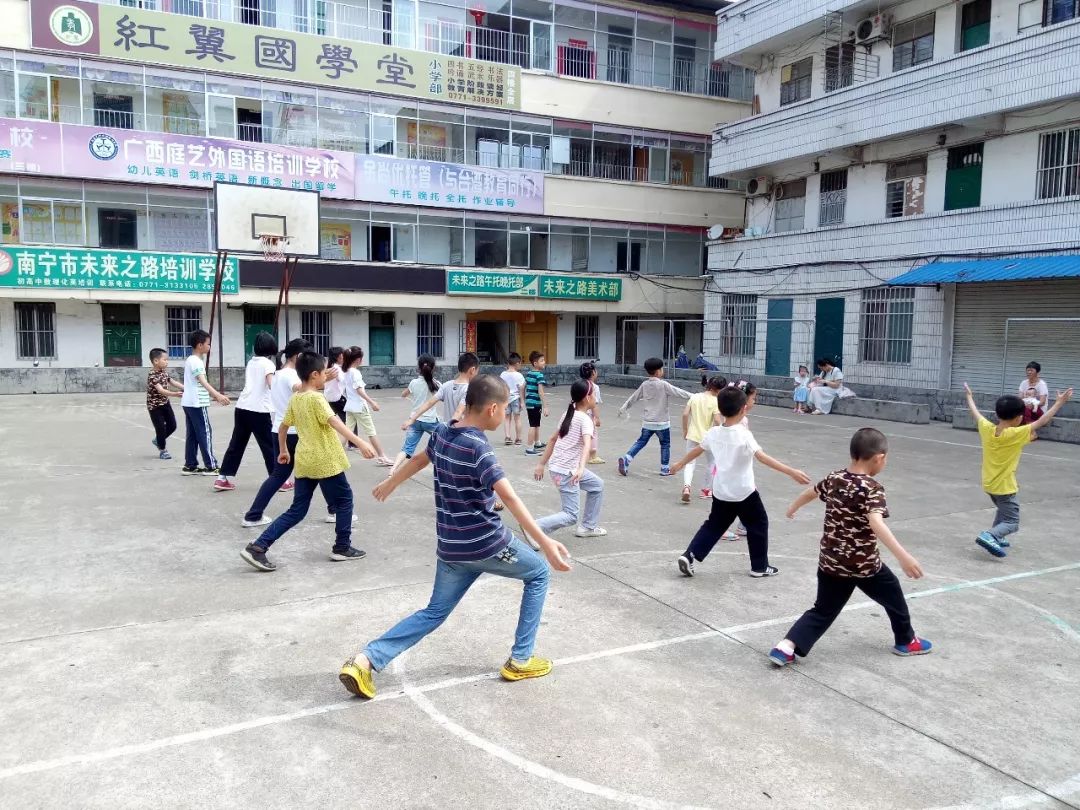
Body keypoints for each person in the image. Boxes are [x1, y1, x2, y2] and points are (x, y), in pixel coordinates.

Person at [337, 374, 572, 699]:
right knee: (539, 572)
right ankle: (520, 659)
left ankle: (364, 661)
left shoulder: (444, 433)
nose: (505, 414)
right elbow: (513, 500)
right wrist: (546, 543)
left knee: (433, 612)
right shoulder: (480, 450)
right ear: (492, 409)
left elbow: (421, 459)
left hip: (451, 548)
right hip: (487, 544)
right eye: (505, 409)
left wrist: (392, 482)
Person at [768, 428, 932, 667]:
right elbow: (876, 522)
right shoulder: (872, 488)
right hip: (863, 565)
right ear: (879, 458)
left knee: (823, 610)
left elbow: (812, 492)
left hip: (831, 562)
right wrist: (903, 556)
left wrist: (793, 507)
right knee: (894, 595)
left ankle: (785, 647)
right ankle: (906, 641)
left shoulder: (835, 477)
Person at [240, 351, 376, 572]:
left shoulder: (297, 398)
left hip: (305, 460)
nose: (325, 376)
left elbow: (283, 427)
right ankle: (342, 547)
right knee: (344, 501)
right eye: (323, 372)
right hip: (325, 460)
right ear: (314, 375)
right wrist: (360, 443)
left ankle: (259, 546)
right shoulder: (315, 398)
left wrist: (283, 450)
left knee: (297, 509)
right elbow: (335, 422)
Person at [671, 386, 810, 578]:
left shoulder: (714, 432)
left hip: (721, 491)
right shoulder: (743, 433)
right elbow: (762, 457)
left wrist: (680, 463)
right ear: (743, 409)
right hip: (744, 492)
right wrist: (791, 471)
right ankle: (759, 567)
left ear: (720, 410)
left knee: (713, 526)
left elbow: (698, 450)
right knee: (759, 523)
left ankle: (690, 555)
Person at [962, 382, 1072, 557]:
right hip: (1005, 487)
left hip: (989, 484)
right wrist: (1059, 402)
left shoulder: (987, 428)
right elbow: (1042, 421)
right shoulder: (1015, 434)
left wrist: (969, 396)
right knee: (1012, 521)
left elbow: (976, 414)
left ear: (998, 414)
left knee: (1002, 509)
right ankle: (990, 535)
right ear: (1018, 418)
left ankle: (996, 536)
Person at [241, 339, 336, 527]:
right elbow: (301, 389)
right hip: (296, 432)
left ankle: (253, 515)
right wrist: (325, 379)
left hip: (280, 430)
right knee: (323, 470)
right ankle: (335, 510)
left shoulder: (277, 374)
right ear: (298, 356)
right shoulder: (291, 375)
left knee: (279, 476)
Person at [532, 379, 607, 538]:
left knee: (597, 485)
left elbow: (553, 439)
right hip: (567, 472)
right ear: (587, 398)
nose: (596, 398)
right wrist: (580, 468)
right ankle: (534, 527)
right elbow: (587, 445)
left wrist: (541, 464)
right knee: (571, 515)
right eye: (593, 394)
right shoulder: (585, 419)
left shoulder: (569, 413)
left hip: (560, 468)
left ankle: (588, 527)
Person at [215, 332, 278, 492]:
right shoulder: (268, 364)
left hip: (242, 407)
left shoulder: (251, 362)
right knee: (269, 445)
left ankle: (222, 478)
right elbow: (271, 384)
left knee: (236, 444)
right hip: (259, 410)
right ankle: (278, 479)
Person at [617, 358, 691, 477]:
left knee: (641, 441)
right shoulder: (663, 384)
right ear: (658, 372)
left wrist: (624, 408)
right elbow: (678, 392)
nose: (663, 370)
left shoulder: (645, 384)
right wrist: (695, 396)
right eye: (662, 369)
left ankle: (627, 458)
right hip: (662, 423)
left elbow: (634, 397)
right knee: (665, 444)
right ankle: (664, 468)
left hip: (648, 422)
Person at [180, 329, 231, 476]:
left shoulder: (191, 360)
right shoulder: (196, 361)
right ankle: (211, 466)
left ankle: (190, 465)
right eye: (208, 344)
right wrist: (217, 395)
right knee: (204, 432)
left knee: (193, 434)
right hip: (197, 403)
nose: (209, 347)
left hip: (189, 402)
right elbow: (202, 381)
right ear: (200, 345)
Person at [389, 353, 441, 475]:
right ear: (433, 368)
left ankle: (393, 469)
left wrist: (407, 394)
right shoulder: (437, 384)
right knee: (443, 443)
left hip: (415, 420)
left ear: (419, 368)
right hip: (431, 421)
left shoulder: (414, 383)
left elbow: (404, 394)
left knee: (406, 448)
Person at [342, 346, 394, 466]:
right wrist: (372, 402)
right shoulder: (355, 373)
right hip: (359, 406)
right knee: (371, 432)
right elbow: (360, 390)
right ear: (358, 359)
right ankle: (382, 456)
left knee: (347, 432)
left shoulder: (346, 371)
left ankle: (335, 456)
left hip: (350, 406)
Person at [679, 374, 725, 504]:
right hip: (708, 438)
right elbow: (717, 420)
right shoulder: (715, 401)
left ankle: (687, 486)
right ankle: (705, 490)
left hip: (692, 435)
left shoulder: (695, 397)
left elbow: (685, 414)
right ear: (719, 389)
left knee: (690, 462)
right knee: (712, 462)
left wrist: (685, 430)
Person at [406, 351, 479, 431]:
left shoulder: (446, 385)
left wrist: (412, 419)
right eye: (477, 371)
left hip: (447, 428)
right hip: (460, 431)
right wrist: (450, 430)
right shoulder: (469, 389)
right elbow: (459, 412)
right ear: (472, 370)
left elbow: (428, 403)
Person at [146, 347, 184, 460]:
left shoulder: (163, 372)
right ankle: (162, 450)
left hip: (165, 403)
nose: (167, 362)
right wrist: (175, 394)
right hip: (154, 407)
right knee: (161, 428)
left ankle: (158, 439)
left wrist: (186, 387)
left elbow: (172, 381)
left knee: (172, 425)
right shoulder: (152, 375)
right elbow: (161, 390)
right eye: (165, 359)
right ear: (156, 361)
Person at [523, 351, 549, 455]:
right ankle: (529, 449)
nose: (544, 362)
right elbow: (541, 392)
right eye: (542, 360)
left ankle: (537, 443)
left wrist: (522, 399)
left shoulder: (529, 374)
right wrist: (546, 406)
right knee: (533, 425)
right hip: (535, 403)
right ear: (535, 363)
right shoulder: (539, 376)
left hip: (530, 402)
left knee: (536, 423)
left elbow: (522, 386)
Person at [580, 361, 605, 465]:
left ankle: (580, 453)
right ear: (594, 373)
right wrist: (597, 418)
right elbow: (594, 404)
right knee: (592, 433)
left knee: (580, 433)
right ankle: (592, 455)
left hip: (579, 412)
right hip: (589, 415)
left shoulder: (580, 385)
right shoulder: (594, 387)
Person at [500, 352, 526, 446]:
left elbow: (501, 387)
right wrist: (522, 402)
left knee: (507, 418)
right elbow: (521, 390)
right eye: (520, 363)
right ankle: (518, 439)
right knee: (517, 419)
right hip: (516, 399)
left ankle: (507, 437)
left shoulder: (503, 374)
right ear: (517, 363)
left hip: (505, 399)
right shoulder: (519, 376)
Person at [324, 346, 348, 427]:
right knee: (350, 424)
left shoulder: (329, 367)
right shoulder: (336, 369)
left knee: (327, 423)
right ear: (339, 356)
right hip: (338, 400)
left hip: (328, 399)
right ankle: (353, 439)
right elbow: (343, 381)